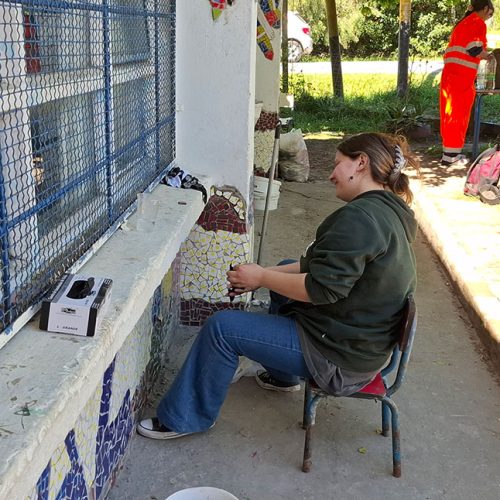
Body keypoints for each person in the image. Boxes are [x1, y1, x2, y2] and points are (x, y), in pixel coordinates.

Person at [137, 132, 418, 440]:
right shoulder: (388, 211)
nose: (331, 174)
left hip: (339, 360)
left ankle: (184, 418)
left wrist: (260, 278)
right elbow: (317, 266)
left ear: (360, 163)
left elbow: (321, 290)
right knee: (284, 268)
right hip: (357, 343)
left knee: (222, 329)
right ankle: (284, 378)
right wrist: (260, 274)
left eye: (338, 163)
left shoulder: (361, 219)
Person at [440, 0, 495, 166]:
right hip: (462, 78)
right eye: (490, 13)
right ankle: (452, 157)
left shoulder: (461, 24)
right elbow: (474, 49)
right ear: (485, 8)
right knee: (459, 116)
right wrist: (489, 56)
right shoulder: (477, 23)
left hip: (450, 76)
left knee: (449, 114)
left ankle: (448, 154)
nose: (488, 18)